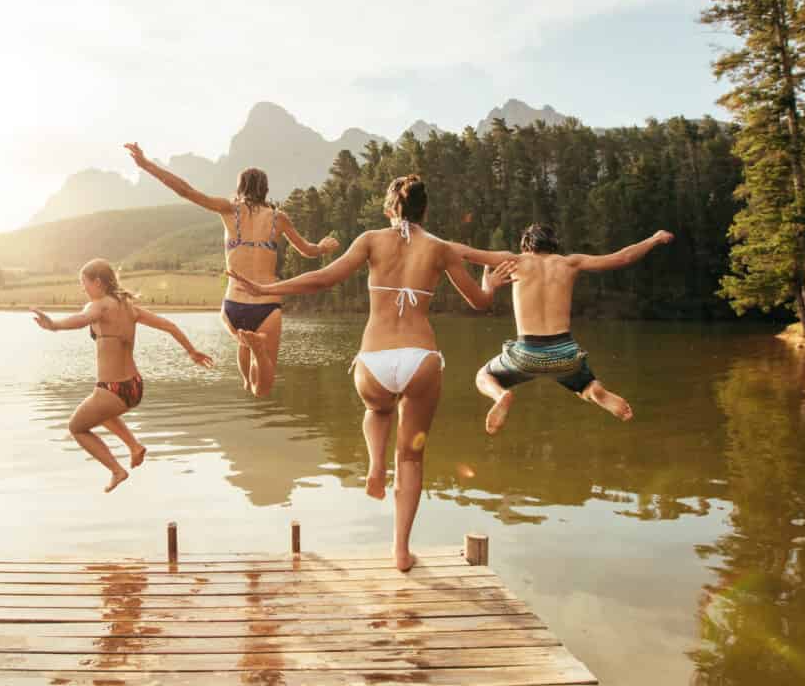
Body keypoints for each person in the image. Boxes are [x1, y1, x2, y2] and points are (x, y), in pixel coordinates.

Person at [229, 175, 503, 571]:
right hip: (420, 358)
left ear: (390, 208)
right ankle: (401, 551)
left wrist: (265, 289)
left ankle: (375, 463)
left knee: (377, 411)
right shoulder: (440, 249)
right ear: (424, 210)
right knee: (410, 458)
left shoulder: (372, 240)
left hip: (374, 359)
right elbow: (479, 302)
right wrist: (488, 281)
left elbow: (322, 279)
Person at [126, 141, 339, 397]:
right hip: (267, 305)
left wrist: (146, 164)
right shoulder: (278, 219)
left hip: (233, 305)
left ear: (240, 188)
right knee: (262, 389)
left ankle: (251, 346)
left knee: (247, 383)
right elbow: (308, 250)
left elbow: (185, 190)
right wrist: (324, 247)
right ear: (265, 190)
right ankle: (258, 350)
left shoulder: (229, 210)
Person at [464, 222, 673, 435]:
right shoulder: (571, 263)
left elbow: (467, 253)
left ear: (525, 245)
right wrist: (654, 239)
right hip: (564, 354)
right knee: (583, 386)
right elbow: (622, 257)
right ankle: (595, 390)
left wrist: (440, 247)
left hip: (526, 353)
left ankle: (500, 396)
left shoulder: (514, 261)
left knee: (483, 376)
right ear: (554, 243)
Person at [31, 258, 214, 492]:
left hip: (112, 389)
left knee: (76, 427)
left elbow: (82, 319)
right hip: (134, 387)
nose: (82, 288)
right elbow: (169, 325)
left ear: (97, 282)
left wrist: (54, 325)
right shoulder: (130, 308)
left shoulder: (99, 305)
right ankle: (134, 446)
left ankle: (117, 470)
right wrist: (191, 351)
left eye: (83, 282)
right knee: (99, 412)